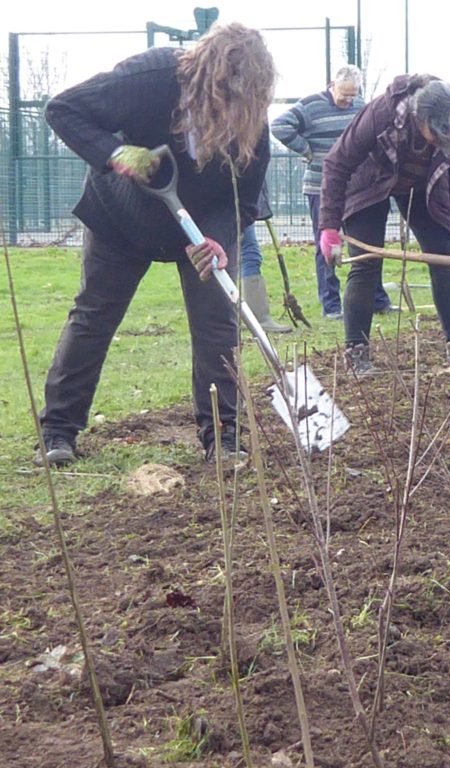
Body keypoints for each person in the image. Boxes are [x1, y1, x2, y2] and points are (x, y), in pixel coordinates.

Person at [36, 23, 275, 467]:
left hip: (200, 230)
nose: (228, 109)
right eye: (223, 95)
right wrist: (114, 153)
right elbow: (63, 109)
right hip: (121, 219)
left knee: (217, 325)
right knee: (94, 315)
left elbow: (242, 198)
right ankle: (58, 430)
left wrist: (220, 240)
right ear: (206, 75)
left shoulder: (252, 122)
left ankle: (222, 437)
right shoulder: (149, 77)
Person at [318, 74, 450, 374]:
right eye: (436, 135)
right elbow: (337, 163)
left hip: (424, 188)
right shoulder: (382, 113)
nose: (442, 141)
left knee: (445, 256)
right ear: (420, 119)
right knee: (367, 263)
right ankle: (357, 354)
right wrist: (329, 228)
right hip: (371, 181)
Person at [271, 65, 394, 317]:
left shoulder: (362, 107)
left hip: (357, 189)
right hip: (320, 186)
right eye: (344, 94)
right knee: (326, 244)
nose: (348, 100)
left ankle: (377, 299)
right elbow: (279, 126)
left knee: (365, 245)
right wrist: (307, 150)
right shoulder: (311, 106)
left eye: (352, 95)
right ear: (332, 84)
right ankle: (331, 304)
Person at [240, 187, 291, 333]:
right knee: (250, 254)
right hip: (236, 201)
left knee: (245, 254)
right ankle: (258, 318)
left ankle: (239, 316)